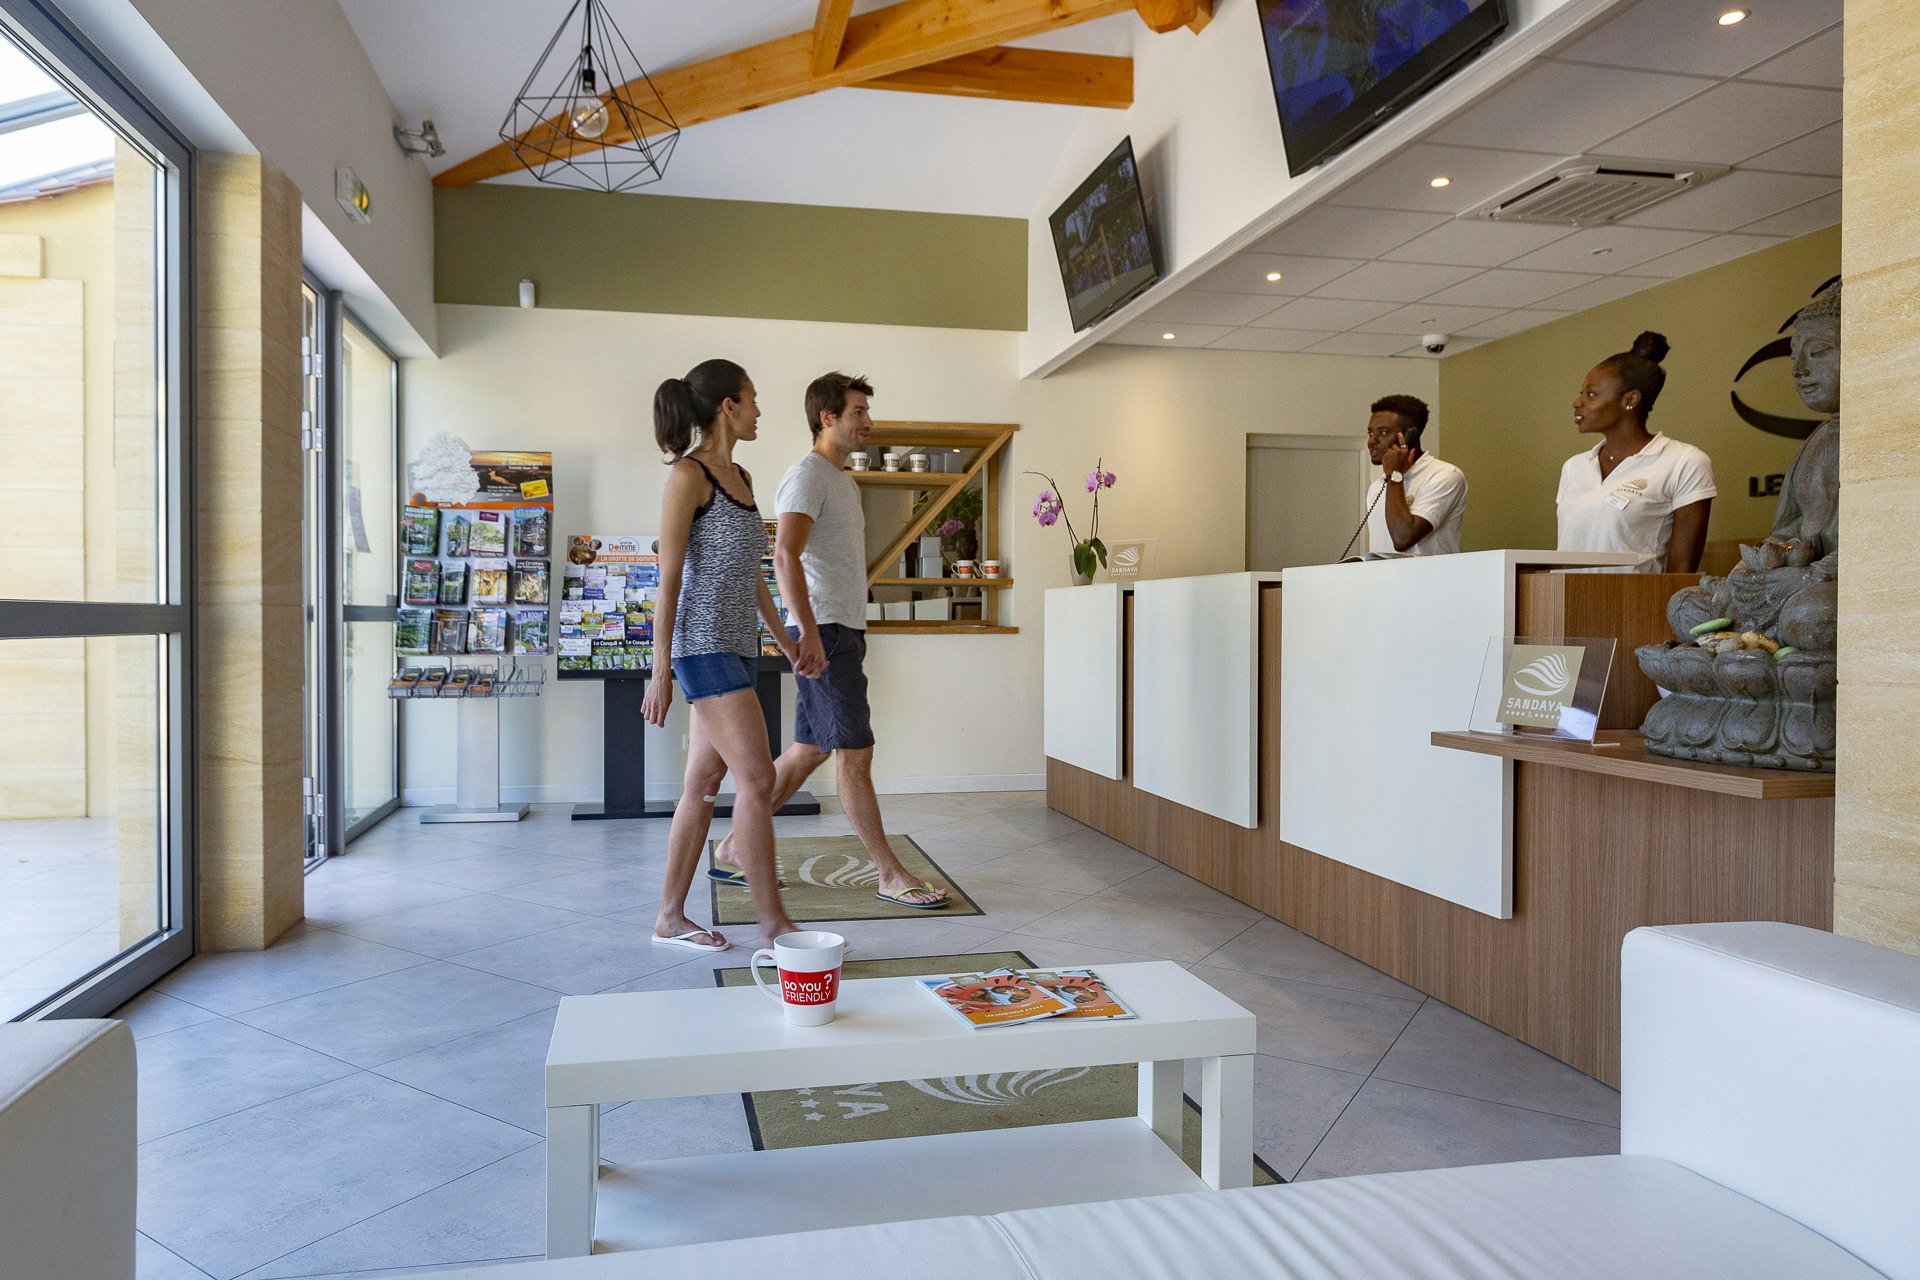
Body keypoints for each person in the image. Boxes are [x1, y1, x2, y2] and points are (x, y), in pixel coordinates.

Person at [709, 371, 951, 908]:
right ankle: (889, 873)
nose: (869, 421)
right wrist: (811, 632)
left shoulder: (842, 480)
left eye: (867, 411)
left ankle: (733, 848)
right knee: (855, 754)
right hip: (827, 632)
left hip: (840, 630)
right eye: (858, 411)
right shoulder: (807, 476)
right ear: (828, 418)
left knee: (810, 749)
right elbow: (784, 555)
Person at [641, 358, 801, 953]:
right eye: (752, 399)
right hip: (701, 645)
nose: (759, 410)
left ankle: (669, 917)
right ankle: (774, 924)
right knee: (758, 778)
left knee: (703, 783)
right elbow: (670, 579)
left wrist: (785, 639)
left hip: (737, 646)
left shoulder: (742, 477)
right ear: (728, 407)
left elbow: (752, 574)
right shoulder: (689, 476)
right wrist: (660, 669)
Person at [1555, 331, 1715, 574]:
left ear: (1630, 399)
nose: (1577, 402)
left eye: (1591, 394)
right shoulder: (1574, 467)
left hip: (1633, 598)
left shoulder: (1684, 462)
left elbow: (1682, 571)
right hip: (1563, 596)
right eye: (1581, 393)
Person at [1363, 394, 1467, 556]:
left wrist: (1394, 475)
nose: (1371, 441)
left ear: (1410, 436)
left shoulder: (1445, 476)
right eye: (1370, 433)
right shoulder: (1377, 486)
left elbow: (1402, 538)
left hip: (1431, 573)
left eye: (1383, 432)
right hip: (1382, 573)